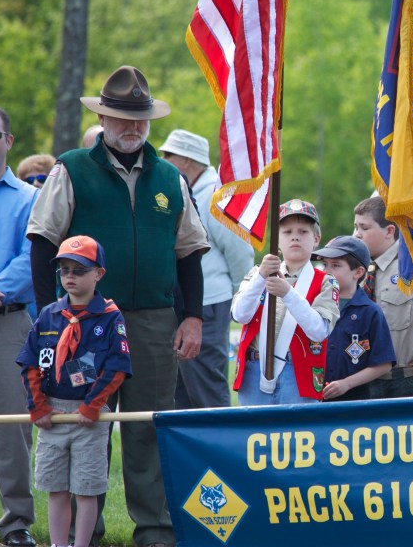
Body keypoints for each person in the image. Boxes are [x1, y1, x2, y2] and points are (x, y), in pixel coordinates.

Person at [27, 65, 210, 547]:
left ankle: (153, 533)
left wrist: (191, 317)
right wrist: (54, 315)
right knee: (86, 424)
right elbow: (43, 242)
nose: (132, 128)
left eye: (140, 119)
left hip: (153, 317)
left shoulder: (170, 178)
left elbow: (190, 253)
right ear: (103, 118)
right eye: (122, 118)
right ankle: (86, 536)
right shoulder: (71, 169)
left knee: (147, 423)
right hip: (85, 321)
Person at [18, 236, 131, 547]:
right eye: (64, 270)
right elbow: (31, 363)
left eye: (79, 271)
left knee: (85, 487)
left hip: (89, 415)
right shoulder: (49, 315)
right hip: (52, 414)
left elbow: (117, 366)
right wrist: (38, 407)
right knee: (55, 487)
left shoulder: (110, 318)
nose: (70, 277)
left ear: (98, 274)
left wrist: (93, 405)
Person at [159, 129, 254, 409]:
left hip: (210, 303)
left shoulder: (218, 197)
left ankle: (221, 448)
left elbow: (240, 252)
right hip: (190, 303)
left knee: (205, 384)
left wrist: (241, 297)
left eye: (169, 155)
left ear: (187, 161)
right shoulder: (193, 192)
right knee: (183, 387)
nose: (164, 160)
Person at [231, 199, 339, 405]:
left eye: (303, 232)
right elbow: (239, 314)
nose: (295, 237)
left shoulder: (326, 281)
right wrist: (261, 277)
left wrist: (288, 293)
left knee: (298, 434)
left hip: (298, 371)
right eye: (287, 232)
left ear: (316, 239)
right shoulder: (258, 273)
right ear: (278, 240)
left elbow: (319, 331)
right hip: (255, 368)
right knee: (255, 434)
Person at [353, 197, 413, 398]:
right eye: (355, 227)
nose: (357, 235)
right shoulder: (354, 269)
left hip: (401, 381)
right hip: (357, 381)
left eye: (364, 228)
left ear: (389, 231)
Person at [0, 105, 38, 547]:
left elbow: (32, 258)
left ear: (9, 141)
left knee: (11, 424)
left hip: (6, 320)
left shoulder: (29, 198)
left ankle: (15, 521)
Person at [313, 236, 394, 401]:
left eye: (335, 265)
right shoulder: (310, 304)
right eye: (325, 264)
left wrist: (347, 384)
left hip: (354, 401)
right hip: (312, 397)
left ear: (358, 272)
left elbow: (383, 364)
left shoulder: (370, 312)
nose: (327, 271)